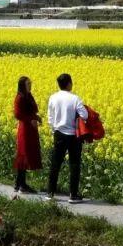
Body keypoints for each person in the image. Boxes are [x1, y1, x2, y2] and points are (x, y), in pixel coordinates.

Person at [46, 73, 88, 203]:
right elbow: (84, 115)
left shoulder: (53, 97)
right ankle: (73, 195)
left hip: (59, 133)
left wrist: (54, 130)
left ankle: (50, 193)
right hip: (73, 136)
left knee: (56, 163)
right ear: (69, 83)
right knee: (74, 165)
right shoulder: (75, 98)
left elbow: (50, 117)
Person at [12, 76, 42, 194]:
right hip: (25, 129)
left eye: (30, 83)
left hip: (31, 128)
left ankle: (19, 183)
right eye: (28, 84)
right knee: (24, 155)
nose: (30, 85)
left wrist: (36, 117)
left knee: (26, 154)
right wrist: (31, 119)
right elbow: (18, 114)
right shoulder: (19, 97)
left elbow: (33, 110)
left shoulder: (28, 95)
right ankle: (22, 185)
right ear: (22, 85)